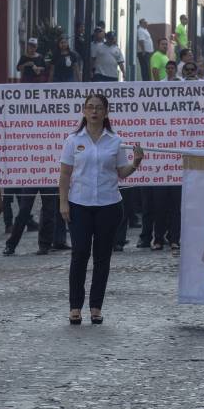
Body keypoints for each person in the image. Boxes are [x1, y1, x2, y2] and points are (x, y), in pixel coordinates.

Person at [59, 94, 144, 325]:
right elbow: (65, 173)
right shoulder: (73, 140)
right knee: (79, 255)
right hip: (79, 204)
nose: (94, 112)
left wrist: (135, 163)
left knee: (102, 258)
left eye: (98, 108)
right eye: (90, 107)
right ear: (84, 111)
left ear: (106, 112)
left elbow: (121, 172)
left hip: (108, 204)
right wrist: (63, 202)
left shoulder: (114, 141)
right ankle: (75, 306)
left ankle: (96, 307)